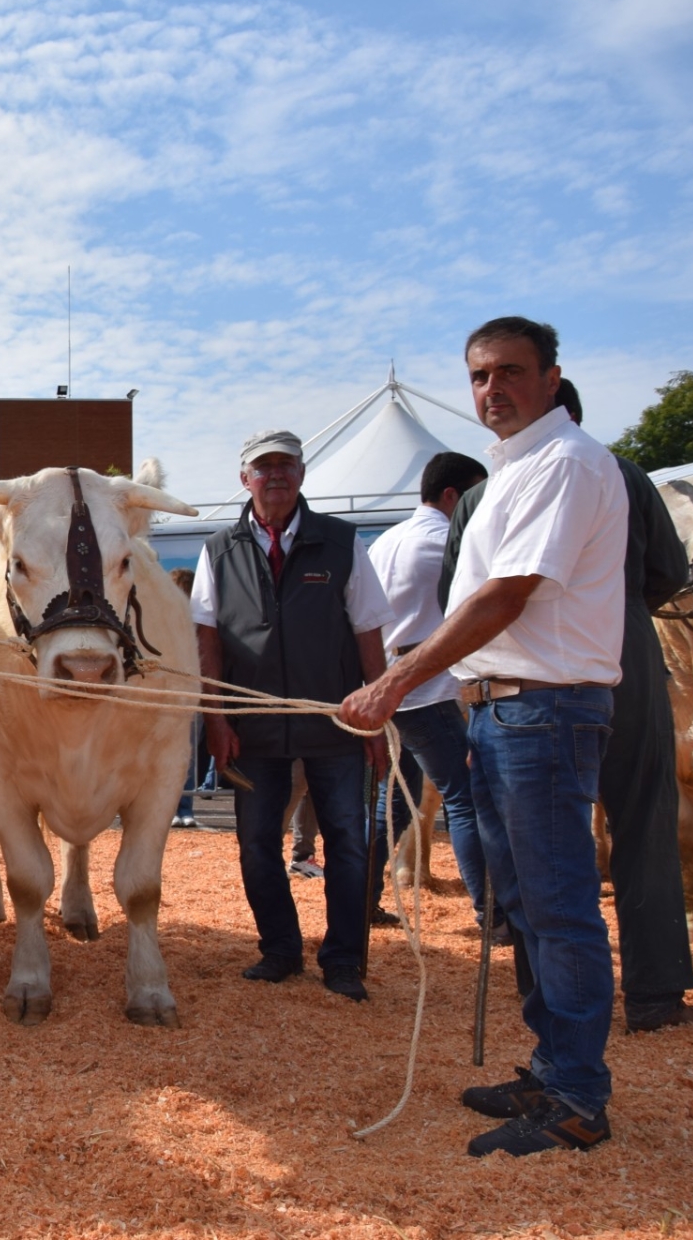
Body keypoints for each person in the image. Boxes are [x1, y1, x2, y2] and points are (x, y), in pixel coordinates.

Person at [343, 317, 625, 1157]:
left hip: (544, 708)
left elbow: (506, 598)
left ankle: (577, 1094)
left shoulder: (567, 464)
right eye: (478, 376)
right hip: (504, 709)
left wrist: (394, 680)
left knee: (561, 906)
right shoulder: (514, 471)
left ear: (551, 377)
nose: (491, 389)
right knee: (529, 902)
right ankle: (553, 1066)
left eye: (509, 371)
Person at [443, 379, 693, 1033]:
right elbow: (669, 570)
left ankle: (553, 1005)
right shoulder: (626, 473)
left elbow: (457, 596)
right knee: (642, 823)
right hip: (625, 655)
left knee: (532, 851)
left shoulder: (479, 495)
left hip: (525, 675)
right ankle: (657, 994)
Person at [194, 429, 393, 1001]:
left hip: (335, 721)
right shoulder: (218, 549)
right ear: (244, 479)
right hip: (253, 726)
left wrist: (377, 713)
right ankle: (279, 950)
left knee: (348, 842)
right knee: (257, 843)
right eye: (263, 468)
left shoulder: (341, 541)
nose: (274, 476)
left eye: (285, 466)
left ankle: (344, 961)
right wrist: (216, 719)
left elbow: (368, 630)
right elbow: (206, 637)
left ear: (302, 475)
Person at [364, 451, 490, 930]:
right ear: (453, 496)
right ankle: (491, 912)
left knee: (393, 801)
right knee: (465, 796)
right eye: (476, 495)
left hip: (385, 685)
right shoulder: (452, 543)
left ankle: (361, 901)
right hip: (427, 689)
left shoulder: (385, 541)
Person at [169, 567, 201, 829]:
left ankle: (185, 807)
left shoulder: (197, 622)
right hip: (166, 696)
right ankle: (173, 808)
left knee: (186, 755)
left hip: (188, 695)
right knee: (170, 756)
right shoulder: (163, 620)